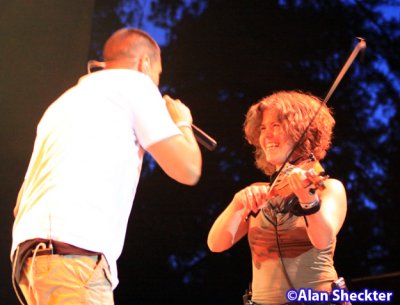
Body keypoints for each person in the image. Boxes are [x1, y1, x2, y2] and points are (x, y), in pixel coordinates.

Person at [11, 27, 202, 305]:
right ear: (144, 64)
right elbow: (188, 169)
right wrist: (182, 122)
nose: (156, 84)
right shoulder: (135, 84)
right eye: (158, 75)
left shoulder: (62, 103)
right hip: (74, 261)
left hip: (33, 263)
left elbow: (21, 202)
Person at [207, 91, 348, 305]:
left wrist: (307, 199)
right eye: (263, 128)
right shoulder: (259, 193)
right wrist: (237, 202)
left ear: (301, 131)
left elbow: (322, 239)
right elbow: (216, 244)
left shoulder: (328, 188)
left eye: (276, 126)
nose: (267, 136)